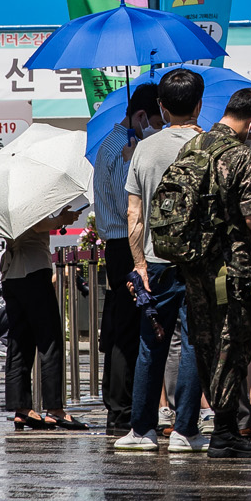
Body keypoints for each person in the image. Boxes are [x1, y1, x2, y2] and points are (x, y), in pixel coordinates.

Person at [177, 88, 251, 459]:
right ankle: (225, 432)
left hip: (193, 264)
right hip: (229, 268)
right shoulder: (241, 156)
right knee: (232, 344)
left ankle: (219, 425)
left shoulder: (192, 145)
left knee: (204, 343)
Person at [117, 69, 205, 453]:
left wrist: (139, 264)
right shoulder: (208, 145)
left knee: (151, 344)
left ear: (162, 107)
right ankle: (186, 430)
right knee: (193, 343)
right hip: (199, 261)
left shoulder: (144, 149)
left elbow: (133, 213)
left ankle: (142, 430)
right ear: (200, 104)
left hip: (154, 259)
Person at [94, 84, 159, 435]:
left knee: (123, 328)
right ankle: (120, 410)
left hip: (120, 244)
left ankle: (120, 407)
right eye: (156, 122)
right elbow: (126, 207)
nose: (158, 129)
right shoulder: (123, 147)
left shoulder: (119, 143)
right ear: (140, 117)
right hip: (124, 244)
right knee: (126, 333)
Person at [1, 205, 87, 431]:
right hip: (33, 269)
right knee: (50, 340)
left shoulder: (7, 199)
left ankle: (21, 408)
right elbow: (37, 224)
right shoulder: (30, 192)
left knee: (20, 342)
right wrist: (62, 219)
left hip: (11, 273)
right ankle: (55, 409)